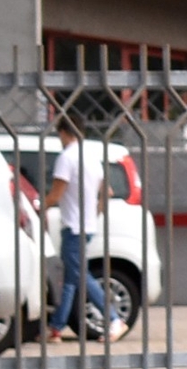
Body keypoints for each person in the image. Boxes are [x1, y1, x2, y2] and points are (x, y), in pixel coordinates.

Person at [42, 117, 126, 342]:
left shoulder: (67, 158)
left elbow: (56, 194)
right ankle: (56, 327)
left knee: (80, 276)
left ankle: (114, 319)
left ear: (63, 132)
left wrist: (40, 207)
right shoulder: (90, 157)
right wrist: (94, 213)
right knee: (71, 278)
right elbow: (106, 193)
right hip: (87, 227)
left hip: (73, 227)